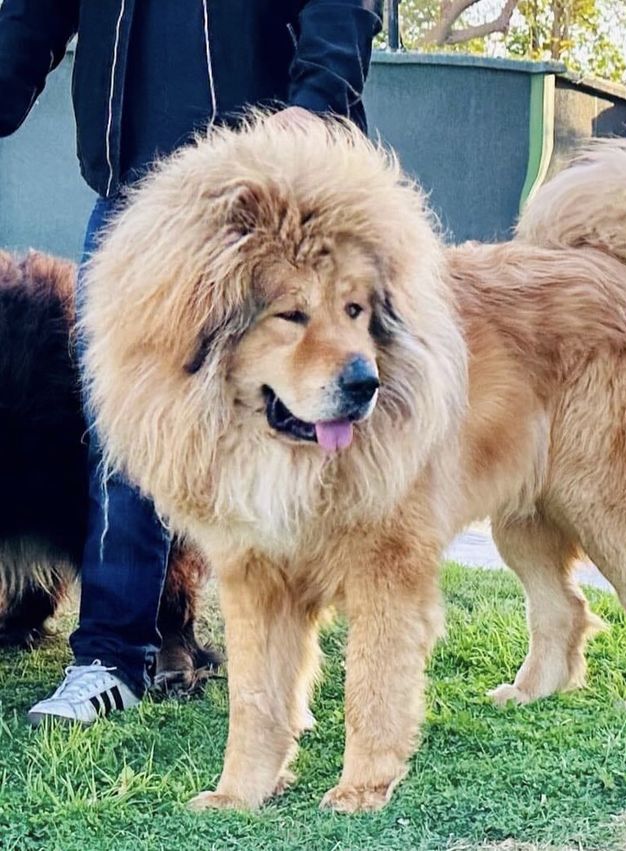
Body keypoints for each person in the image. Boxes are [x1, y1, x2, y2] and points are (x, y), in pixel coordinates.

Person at [0, 0, 382, 725]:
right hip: (132, 206)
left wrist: (315, 104)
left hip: (265, 198)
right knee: (120, 438)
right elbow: (32, 19)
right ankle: (111, 658)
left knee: (313, 429)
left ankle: (317, 631)